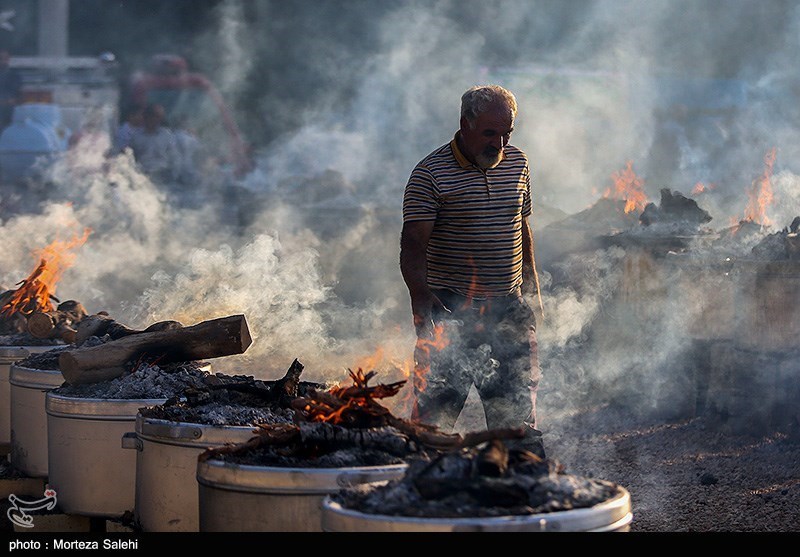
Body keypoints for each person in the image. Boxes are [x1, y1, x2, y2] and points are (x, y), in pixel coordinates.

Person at [400, 84, 545, 457]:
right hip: (452, 311)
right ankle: (421, 493)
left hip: (507, 310)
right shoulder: (429, 175)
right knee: (435, 415)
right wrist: (420, 300)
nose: (499, 143)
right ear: (465, 125)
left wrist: (532, 290)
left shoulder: (518, 163)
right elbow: (413, 244)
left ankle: (520, 492)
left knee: (514, 416)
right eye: (489, 133)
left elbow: (522, 225)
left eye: (507, 133)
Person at [127, 103, 180, 182]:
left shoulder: (166, 136)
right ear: (146, 117)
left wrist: (173, 176)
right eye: (153, 116)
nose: (156, 120)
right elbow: (131, 157)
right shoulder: (136, 136)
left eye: (159, 117)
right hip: (142, 177)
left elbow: (174, 158)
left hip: (162, 176)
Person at [0, 48, 22, 130]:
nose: (3, 61)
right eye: (0, 59)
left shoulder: (14, 76)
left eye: (5, 59)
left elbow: (18, 95)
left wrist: (11, 101)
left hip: (10, 111)